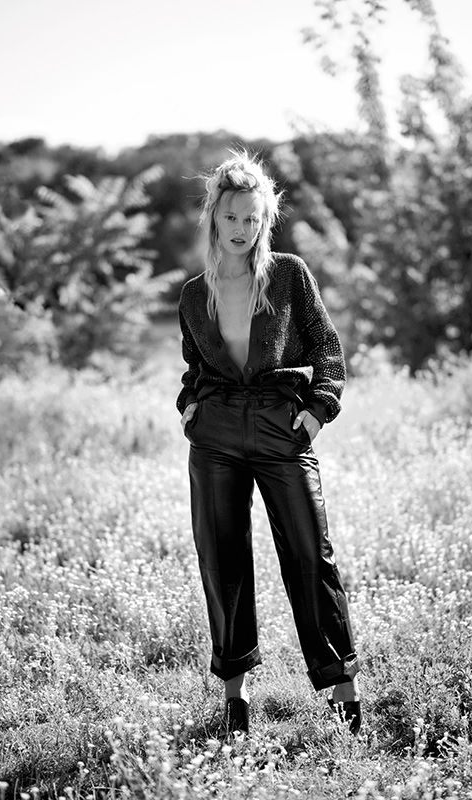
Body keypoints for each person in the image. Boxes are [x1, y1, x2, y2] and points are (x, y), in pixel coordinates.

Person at [177, 150, 361, 737]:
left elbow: (326, 349)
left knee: (310, 553)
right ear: (214, 216)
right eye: (231, 217)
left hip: (282, 430)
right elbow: (194, 368)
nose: (241, 229)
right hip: (216, 438)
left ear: (265, 220)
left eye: (252, 218)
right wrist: (189, 408)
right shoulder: (193, 295)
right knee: (222, 559)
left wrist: (317, 413)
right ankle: (236, 696)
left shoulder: (288, 274)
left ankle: (343, 691)